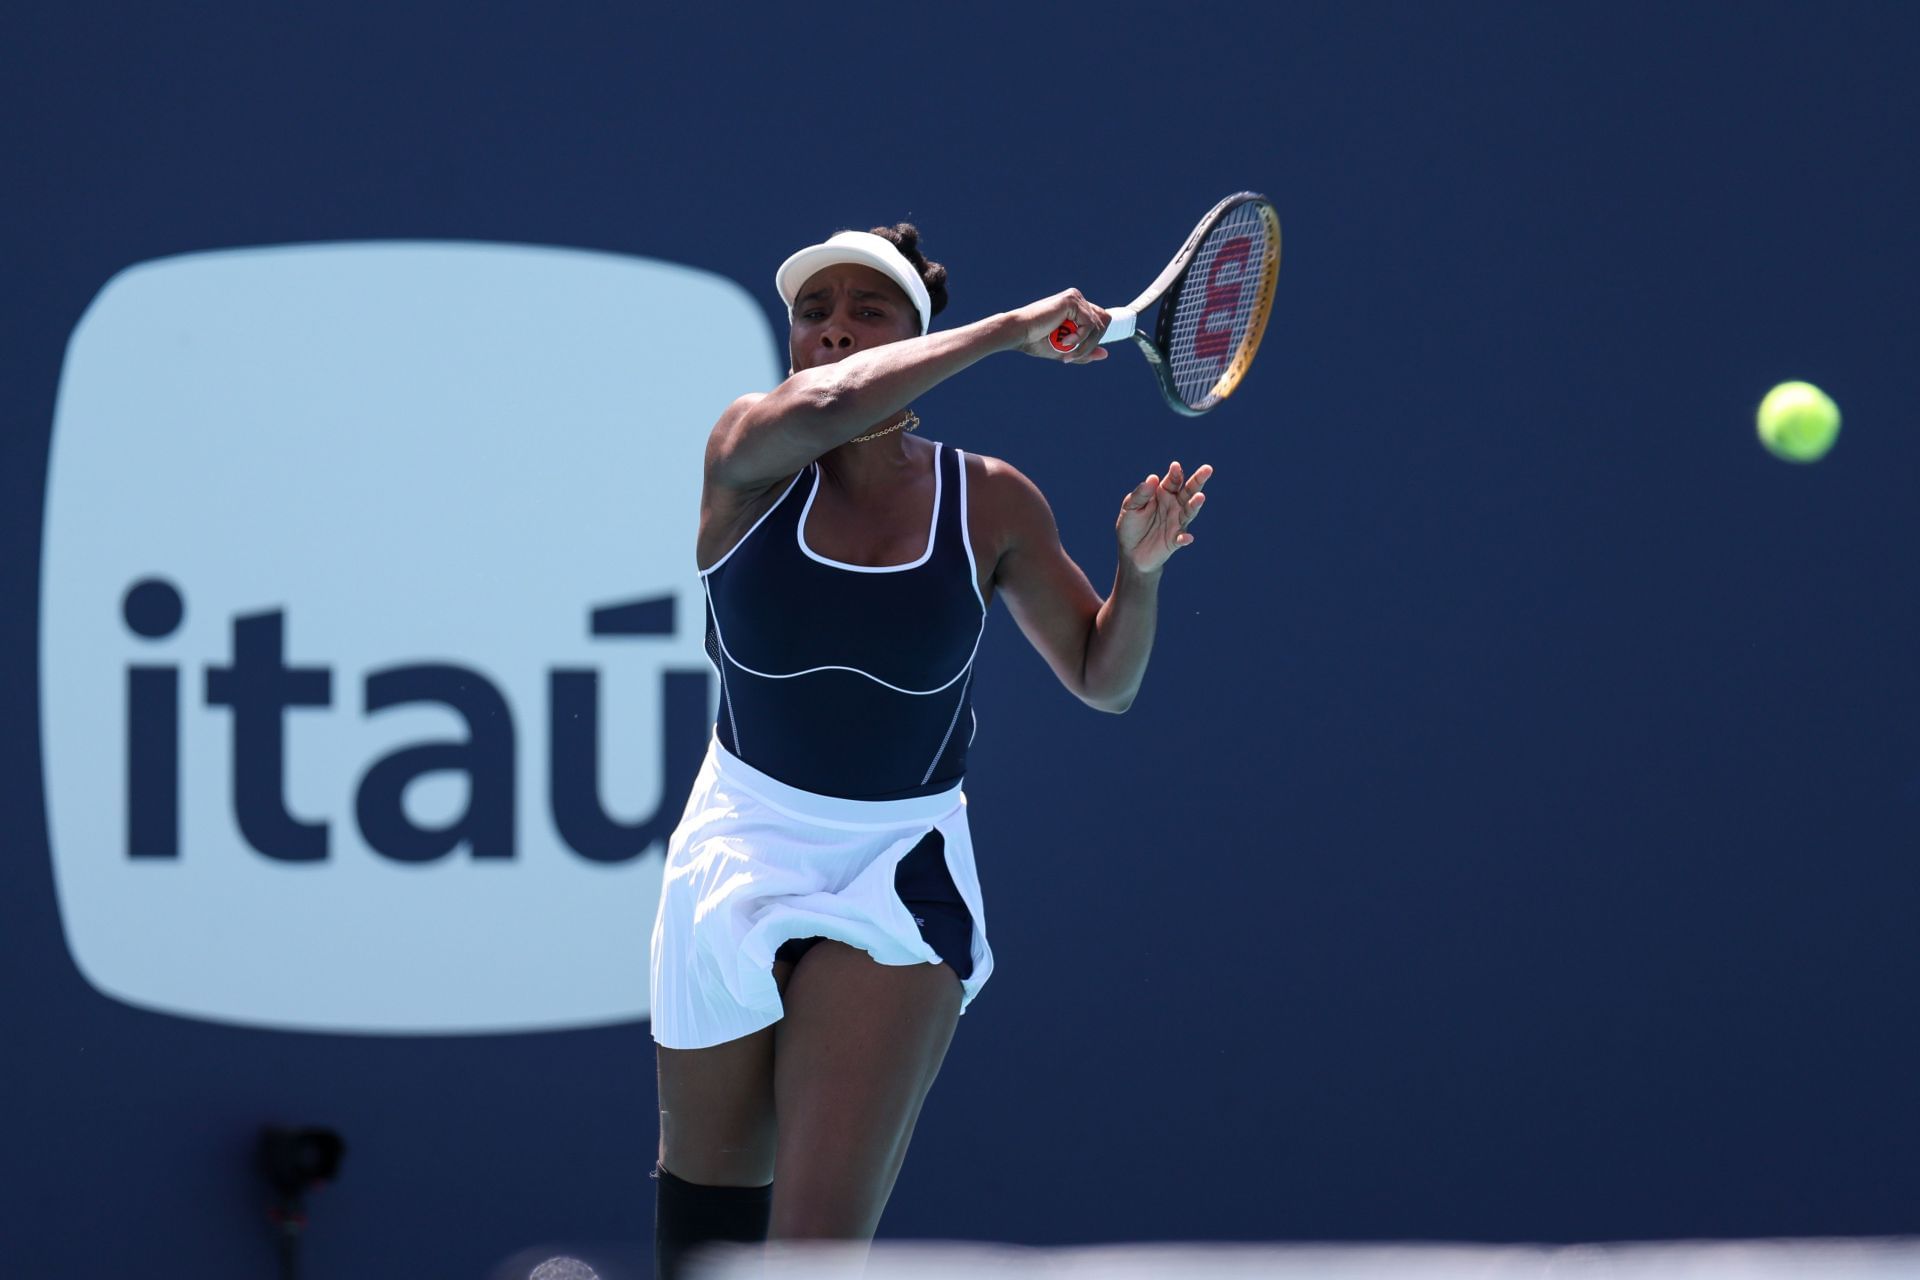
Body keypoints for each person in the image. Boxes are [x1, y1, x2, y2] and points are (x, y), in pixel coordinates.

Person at [649, 222, 1212, 1278]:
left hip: (892, 867)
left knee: (807, 1257)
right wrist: (1009, 331)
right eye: (814, 312)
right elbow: (825, 407)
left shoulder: (990, 499)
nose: (834, 332)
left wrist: (1138, 577)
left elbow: (1106, 681)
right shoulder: (746, 451)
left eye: (870, 311)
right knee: (702, 1232)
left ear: (916, 334)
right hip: (731, 839)